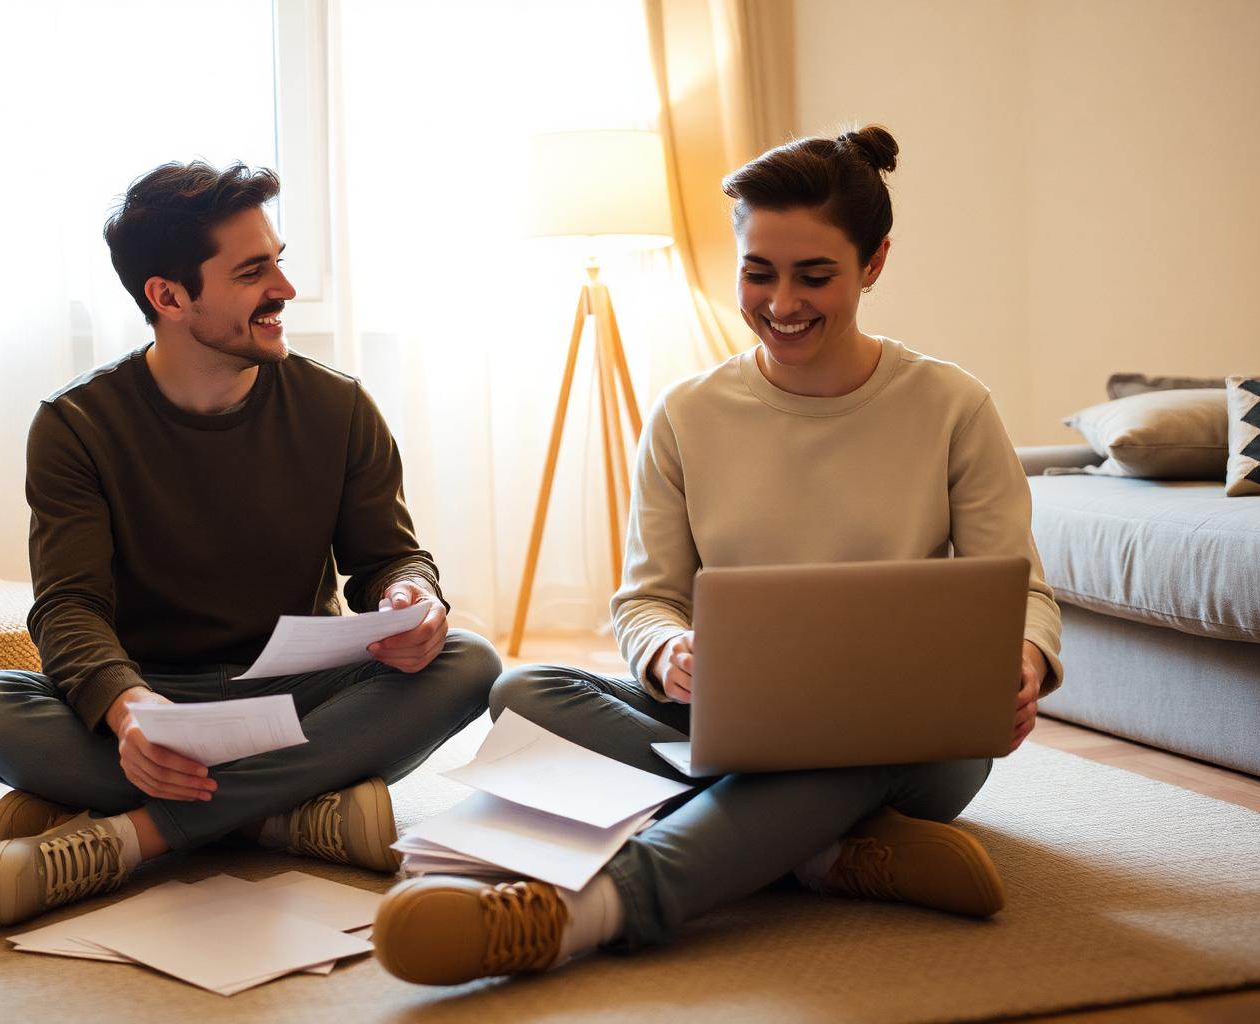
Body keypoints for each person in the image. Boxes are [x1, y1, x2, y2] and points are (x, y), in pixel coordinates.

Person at [371, 125, 1063, 985]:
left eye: (815, 275)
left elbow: (1020, 591)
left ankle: (582, 911)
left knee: (858, 749)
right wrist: (668, 651)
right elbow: (645, 600)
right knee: (525, 689)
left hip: (903, 742)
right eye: (756, 272)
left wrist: (1021, 662)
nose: (781, 302)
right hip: (734, 725)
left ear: (875, 261)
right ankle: (819, 855)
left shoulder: (953, 404)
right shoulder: (688, 413)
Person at [0, 160, 501, 927]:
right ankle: (288, 817)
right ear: (168, 296)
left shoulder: (337, 406)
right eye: (252, 271)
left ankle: (136, 835)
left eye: (278, 259)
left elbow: (386, 559)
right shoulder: (76, 425)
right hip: (153, 698)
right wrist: (130, 711)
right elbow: (69, 607)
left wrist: (413, 596)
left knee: (470, 662)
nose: (284, 288)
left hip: (295, 696)